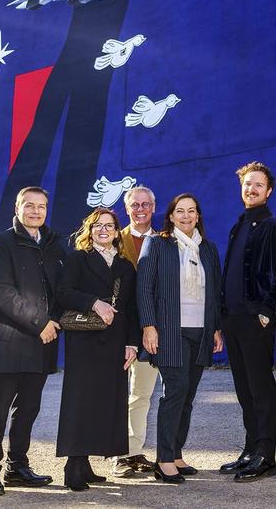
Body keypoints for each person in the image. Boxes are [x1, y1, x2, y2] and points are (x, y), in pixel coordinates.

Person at [0, 186, 65, 496]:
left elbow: (61, 291)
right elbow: (2, 293)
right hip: (8, 341)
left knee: (28, 409)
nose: (36, 211)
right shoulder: (1, 244)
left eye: (41, 206)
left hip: (42, 343)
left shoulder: (54, 245)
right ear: (17, 209)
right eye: (29, 205)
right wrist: (41, 323)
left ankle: (17, 467)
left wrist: (55, 321)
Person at [137, 193, 225, 484]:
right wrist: (149, 326)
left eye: (191, 211)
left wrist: (215, 328)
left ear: (198, 216)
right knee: (176, 391)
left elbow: (215, 292)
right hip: (169, 331)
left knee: (187, 395)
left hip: (200, 330)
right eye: (180, 211)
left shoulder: (208, 249)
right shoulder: (157, 244)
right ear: (171, 216)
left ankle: (175, 454)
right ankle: (163, 460)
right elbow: (144, 288)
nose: (186, 216)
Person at [55, 208, 140, 491]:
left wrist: (132, 343)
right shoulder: (78, 259)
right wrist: (94, 302)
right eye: (97, 225)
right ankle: (73, 466)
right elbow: (63, 292)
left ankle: (85, 463)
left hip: (115, 343)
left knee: (104, 403)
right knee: (80, 402)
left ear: (117, 232)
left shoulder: (126, 266)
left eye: (109, 226)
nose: (103, 230)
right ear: (89, 230)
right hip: (84, 341)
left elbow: (131, 309)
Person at [219, 162, 276, 482]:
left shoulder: (275, 228)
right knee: (244, 388)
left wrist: (266, 311)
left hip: (255, 320)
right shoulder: (239, 225)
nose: (251, 189)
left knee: (261, 387)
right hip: (232, 319)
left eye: (258, 185)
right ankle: (250, 449)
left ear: (269, 190)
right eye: (247, 184)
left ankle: (266, 455)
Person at [113, 185, 161, 478]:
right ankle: (118, 455)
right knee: (115, 393)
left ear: (153, 208)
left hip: (152, 330)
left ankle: (133, 451)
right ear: (127, 208)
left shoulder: (166, 241)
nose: (140, 209)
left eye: (145, 204)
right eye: (135, 204)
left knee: (141, 394)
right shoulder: (114, 239)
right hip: (117, 329)